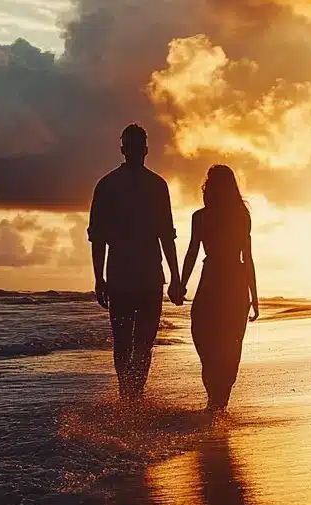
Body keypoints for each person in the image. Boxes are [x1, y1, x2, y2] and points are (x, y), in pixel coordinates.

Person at [89, 124, 181, 405]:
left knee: (123, 343)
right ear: (145, 149)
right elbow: (167, 236)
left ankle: (127, 395)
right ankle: (134, 395)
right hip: (149, 276)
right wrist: (175, 278)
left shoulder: (107, 184)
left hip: (120, 276)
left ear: (122, 149)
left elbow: (98, 238)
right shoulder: (157, 185)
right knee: (143, 343)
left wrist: (99, 277)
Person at [173, 165, 259, 411]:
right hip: (228, 282)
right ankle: (217, 401)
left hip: (218, 281)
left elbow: (193, 253)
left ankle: (216, 401)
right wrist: (254, 296)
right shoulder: (211, 217)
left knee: (211, 342)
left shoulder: (219, 217)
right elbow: (247, 258)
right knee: (221, 343)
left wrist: (181, 283)